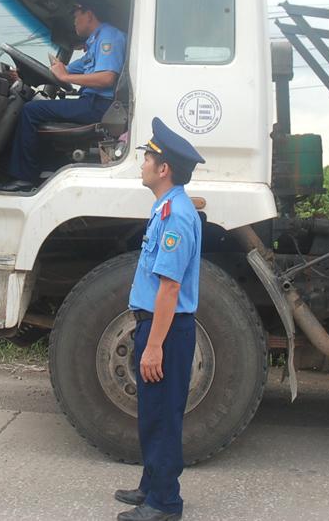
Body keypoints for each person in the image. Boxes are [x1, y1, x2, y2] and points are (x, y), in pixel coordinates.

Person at [115, 118, 205, 521]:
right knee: (152, 413)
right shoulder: (168, 208)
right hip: (157, 325)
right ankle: (152, 485)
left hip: (165, 330)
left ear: (163, 168)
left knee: (164, 416)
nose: (143, 163)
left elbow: (169, 289)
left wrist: (153, 346)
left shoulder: (175, 217)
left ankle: (165, 503)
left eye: (146, 157)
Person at [0, 0, 127, 190]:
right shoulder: (95, 42)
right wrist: (21, 74)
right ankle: (42, 168)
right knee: (35, 110)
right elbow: (61, 71)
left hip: (99, 105)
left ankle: (24, 178)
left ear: (89, 15)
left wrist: (66, 78)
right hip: (92, 102)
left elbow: (106, 78)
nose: (74, 21)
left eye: (76, 16)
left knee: (30, 111)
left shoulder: (109, 36)